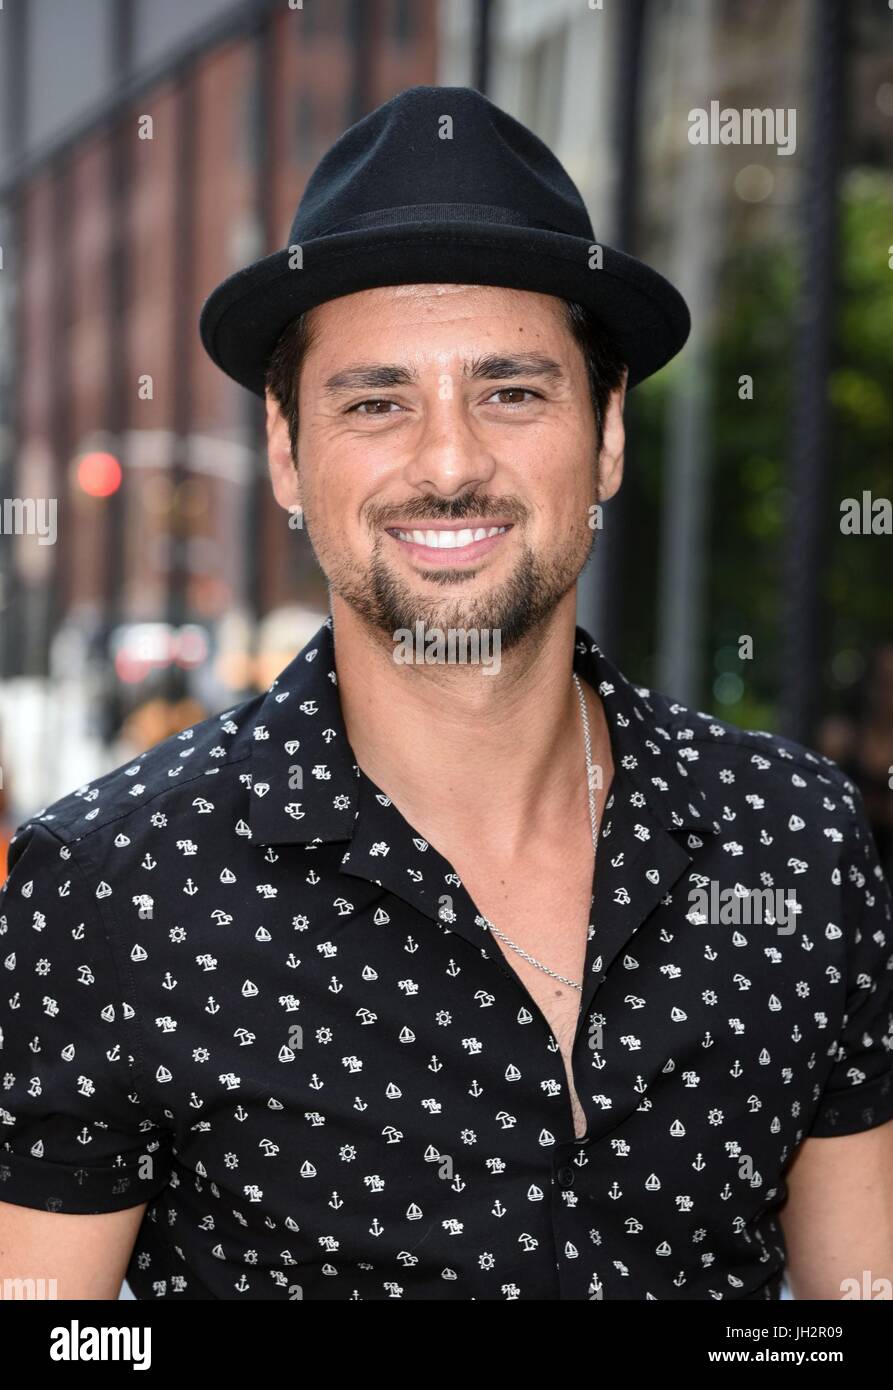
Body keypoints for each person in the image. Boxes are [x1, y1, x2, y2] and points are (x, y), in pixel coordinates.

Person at [1, 86, 891, 1302]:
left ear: (607, 433)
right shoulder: (114, 887)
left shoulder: (793, 840)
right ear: (285, 453)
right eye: (376, 402)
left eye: (511, 391)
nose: (449, 461)